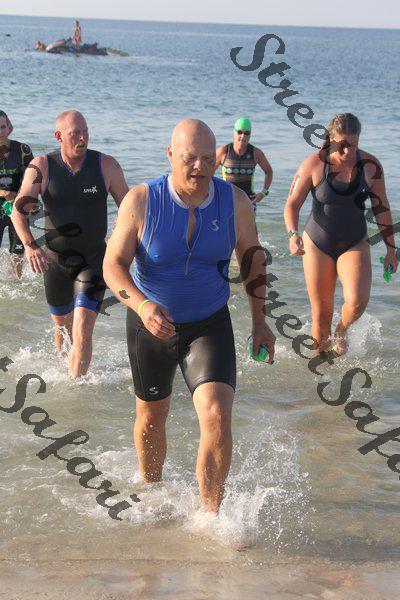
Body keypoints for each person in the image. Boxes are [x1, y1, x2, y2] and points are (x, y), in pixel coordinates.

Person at [103, 119, 276, 513]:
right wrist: (142, 305)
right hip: (150, 325)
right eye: (189, 158)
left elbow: (253, 261)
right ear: (170, 155)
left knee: (217, 414)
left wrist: (260, 321)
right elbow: (112, 265)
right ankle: (152, 494)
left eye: (207, 159)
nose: (200, 167)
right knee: (151, 419)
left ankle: (210, 517)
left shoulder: (235, 202)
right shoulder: (142, 200)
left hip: (208, 323)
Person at [12, 110, 129, 378]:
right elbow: (18, 211)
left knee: (83, 324)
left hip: (93, 260)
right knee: (63, 328)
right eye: (75, 133)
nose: (82, 138)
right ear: (59, 136)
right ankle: (67, 376)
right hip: (55, 262)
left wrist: (121, 240)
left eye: (85, 132)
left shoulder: (106, 165)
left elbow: (130, 208)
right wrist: (30, 245)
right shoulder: (42, 166)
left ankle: (77, 388)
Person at [284, 113, 398, 355]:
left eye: (353, 145)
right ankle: (320, 366)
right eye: (342, 145)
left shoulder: (371, 167)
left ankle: (342, 330)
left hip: (354, 241)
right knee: (321, 316)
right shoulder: (313, 164)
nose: (347, 151)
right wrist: (292, 234)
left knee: (357, 301)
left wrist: (391, 249)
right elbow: (292, 204)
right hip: (317, 243)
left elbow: (382, 209)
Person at [0, 110, 33, 279]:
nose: (0, 132)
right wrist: (3, 192)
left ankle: (16, 284)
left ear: (9, 127)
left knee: (18, 254)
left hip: (18, 207)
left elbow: (34, 178)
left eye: (2, 127)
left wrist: (21, 195)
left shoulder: (22, 150)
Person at [215, 117, 273, 211]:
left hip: (249, 201)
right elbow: (208, 173)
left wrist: (263, 193)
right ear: (234, 132)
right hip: (226, 201)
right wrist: (214, 193)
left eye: (246, 133)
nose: (242, 136)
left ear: (250, 135)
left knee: (250, 222)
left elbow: (269, 172)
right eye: (239, 132)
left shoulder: (256, 153)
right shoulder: (223, 152)